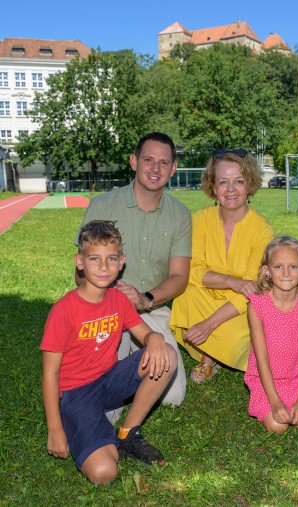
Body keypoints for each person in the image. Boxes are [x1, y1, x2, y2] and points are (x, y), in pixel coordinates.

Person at [41, 220, 177, 484]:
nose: (103, 267)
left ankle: (128, 433)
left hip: (109, 379)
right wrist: (55, 429)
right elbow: (49, 374)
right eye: (94, 258)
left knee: (167, 354)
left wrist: (156, 337)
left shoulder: (118, 299)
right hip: (76, 393)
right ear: (79, 261)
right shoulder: (63, 311)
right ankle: (91, 430)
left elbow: (144, 333)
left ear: (121, 262)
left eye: (111, 259)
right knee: (104, 473)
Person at [76, 132, 191, 419]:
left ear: (173, 168)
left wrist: (145, 299)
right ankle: (119, 363)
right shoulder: (103, 206)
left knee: (172, 397)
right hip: (105, 310)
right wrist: (110, 297)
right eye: (148, 160)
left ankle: (129, 362)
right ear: (133, 162)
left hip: (150, 309)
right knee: (105, 410)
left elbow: (179, 276)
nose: (155, 169)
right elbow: (80, 275)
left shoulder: (180, 214)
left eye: (163, 163)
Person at [170, 149, 273, 383]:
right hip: (206, 294)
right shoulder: (200, 220)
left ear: (249, 185)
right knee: (184, 298)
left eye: (239, 181)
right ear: (213, 188)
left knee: (239, 334)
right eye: (223, 182)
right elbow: (193, 269)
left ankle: (208, 357)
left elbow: (253, 287)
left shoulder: (261, 229)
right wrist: (231, 281)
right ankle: (215, 349)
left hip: (241, 305)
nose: (231, 189)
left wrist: (209, 324)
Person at [244, 236, 298, 434]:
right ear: (267, 271)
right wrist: (276, 402)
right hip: (264, 379)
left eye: (293, 267)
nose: (286, 273)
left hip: (296, 378)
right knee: (278, 427)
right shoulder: (257, 305)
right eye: (278, 266)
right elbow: (260, 358)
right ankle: (270, 401)